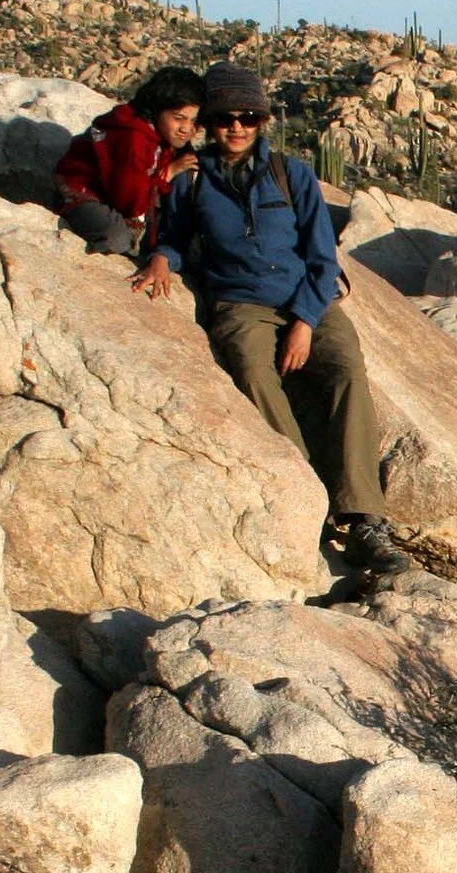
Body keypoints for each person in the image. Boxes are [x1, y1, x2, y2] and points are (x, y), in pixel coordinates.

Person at [135, 62, 409, 581]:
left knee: (346, 372)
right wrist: (161, 260)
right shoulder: (193, 180)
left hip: (308, 298)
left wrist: (305, 322)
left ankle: (366, 519)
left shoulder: (292, 173)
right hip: (241, 304)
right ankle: (311, 494)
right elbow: (171, 237)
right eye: (224, 118)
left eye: (248, 117)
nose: (236, 127)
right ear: (210, 123)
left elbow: (323, 257)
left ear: (262, 121)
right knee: (255, 374)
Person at [54, 66, 202, 258]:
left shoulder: (158, 134)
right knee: (117, 237)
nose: (187, 128)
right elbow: (129, 199)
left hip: (113, 194)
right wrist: (169, 172)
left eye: (194, 121)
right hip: (81, 192)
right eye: (179, 118)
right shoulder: (133, 138)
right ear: (156, 109)